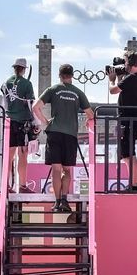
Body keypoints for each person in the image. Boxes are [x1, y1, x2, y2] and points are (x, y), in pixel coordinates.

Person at [32, 64, 94, 212]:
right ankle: (65, 201)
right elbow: (91, 114)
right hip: (70, 134)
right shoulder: (78, 92)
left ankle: (57, 202)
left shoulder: (54, 89)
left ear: (59, 75)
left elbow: (35, 107)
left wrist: (45, 121)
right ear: (72, 75)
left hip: (54, 132)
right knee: (67, 170)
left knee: (56, 169)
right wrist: (87, 120)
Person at [108, 52, 137, 190]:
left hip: (128, 121)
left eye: (125, 62)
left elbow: (113, 90)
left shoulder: (132, 78)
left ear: (129, 63)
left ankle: (136, 183)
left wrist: (112, 79)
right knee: (127, 152)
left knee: (127, 152)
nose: (123, 65)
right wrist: (120, 77)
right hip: (131, 120)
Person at [1, 58, 37, 193]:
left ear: (15, 67)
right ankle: (22, 186)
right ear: (24, 69)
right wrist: (34, 120)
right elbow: (29, 103)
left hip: (9, 121)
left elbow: (5, 100)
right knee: (23, 155)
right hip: (22, 122)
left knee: (9, 156)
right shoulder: (27, 84)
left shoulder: (6, 83)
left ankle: (6, 185)